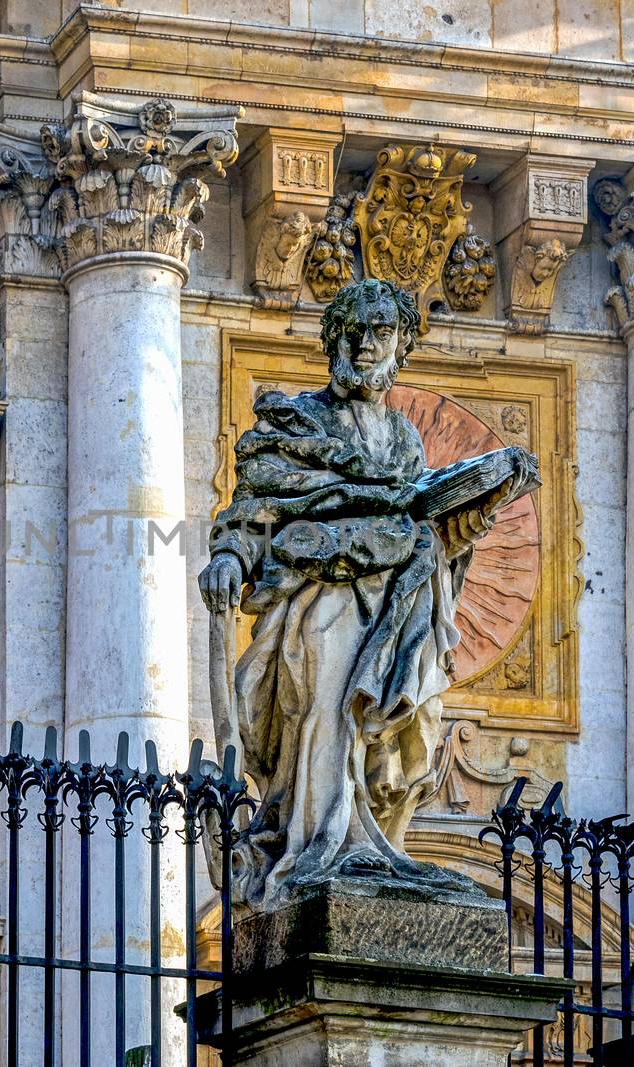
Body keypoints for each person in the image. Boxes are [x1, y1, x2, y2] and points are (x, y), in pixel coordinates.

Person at [199, 278, 536, 910]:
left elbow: (421, 522)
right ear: (333, 341)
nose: (363, 345)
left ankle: (367, 840)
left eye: (379, 333)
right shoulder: (299, 421)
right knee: (325, 706)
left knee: (395, 724)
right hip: (320, 595)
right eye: (351, 331)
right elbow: (256, 508)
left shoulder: (404, 442)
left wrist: (470, 513)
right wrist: (227, 557)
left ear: (400, 347)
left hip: (398, 601)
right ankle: (316, 845)